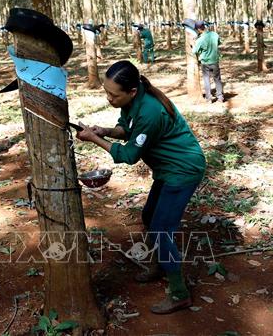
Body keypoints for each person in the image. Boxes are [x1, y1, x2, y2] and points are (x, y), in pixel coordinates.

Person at [76, 61, 206, 314]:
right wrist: (104, 130)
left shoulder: (150, 110)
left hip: (182, 170)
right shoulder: (134, 101)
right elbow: (126, 129)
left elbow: (129, 155)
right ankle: (160, 265)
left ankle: (179, 293)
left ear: (132, 91)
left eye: (114, 94)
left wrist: (95, 139)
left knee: (161, 229)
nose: (109, 98)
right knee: (149, 217)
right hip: (168, 170)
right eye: (107, 92)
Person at [192, 21, 224, 103]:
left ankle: (209, 98)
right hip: (215, 61)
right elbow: (219, 42)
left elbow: (194, 51)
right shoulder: (214, 34)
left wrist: (194, 43)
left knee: (206, 80)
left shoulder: (200, 39)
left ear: (199, 29)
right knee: (217, 79)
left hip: (205, 62)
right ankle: (220, 97)